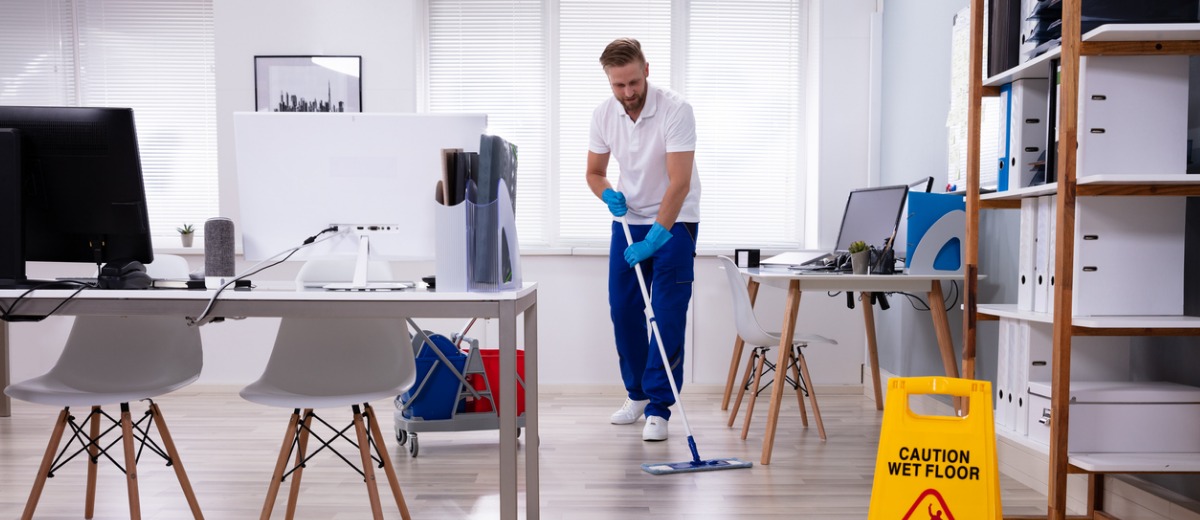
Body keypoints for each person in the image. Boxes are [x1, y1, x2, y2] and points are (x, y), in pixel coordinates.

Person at [586, 37, 701, 442]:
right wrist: (607, 194)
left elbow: (680, 183)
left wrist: (656, 237)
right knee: (624, 310)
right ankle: (635, 394)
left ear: (646, 70)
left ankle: (659, 408)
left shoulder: (675, 110)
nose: (628, 93)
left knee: (667, 314)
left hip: (675, 222)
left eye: (633, 82)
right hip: (627, 221)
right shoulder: (604, 114)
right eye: (618, 85)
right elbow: (594, 173)